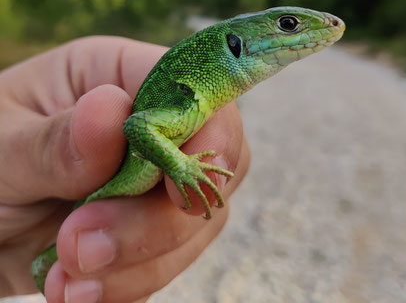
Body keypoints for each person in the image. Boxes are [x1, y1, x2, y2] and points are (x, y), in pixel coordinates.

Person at [0, 36, 250, 303]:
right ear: (235, 45)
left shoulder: (194, 102)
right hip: (94, 197)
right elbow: (137, 125)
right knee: (44, 265)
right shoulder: (184, 107)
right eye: (288, 25)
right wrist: (180, 165)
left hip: (91, 207)